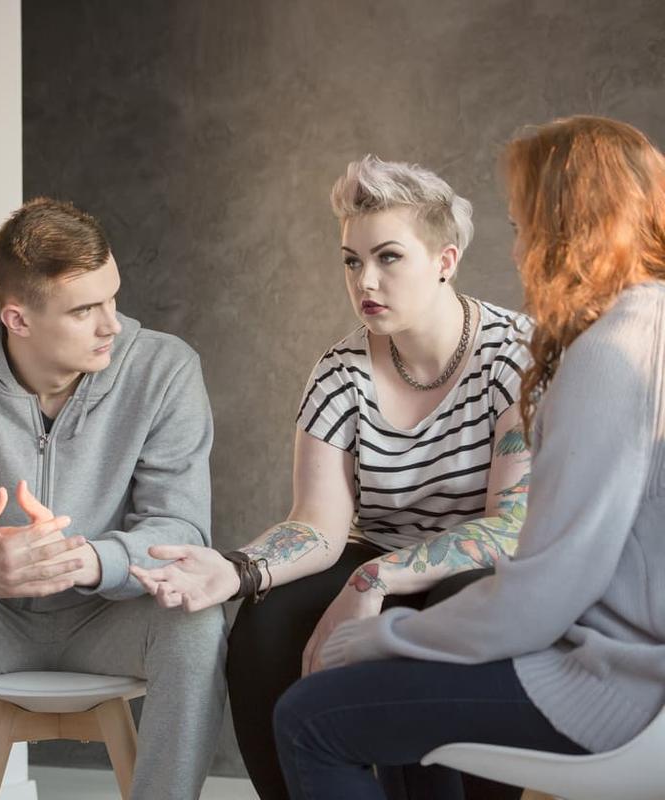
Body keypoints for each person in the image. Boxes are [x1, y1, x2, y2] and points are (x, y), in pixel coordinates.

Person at [269, 115, 665, 799]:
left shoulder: (607, 356)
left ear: (566, 228)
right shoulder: (649, 321)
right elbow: (317, 520)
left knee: (311, 718)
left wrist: (385, 636)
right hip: (623, 659)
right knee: (332, 664)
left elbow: (547, 586)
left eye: (522, 229)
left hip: (619, 684)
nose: (516, 253)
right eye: (353, 260)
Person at [132, 156, 532, 798]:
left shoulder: (515, 356)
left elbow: (511, 526)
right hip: (373, 559)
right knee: (263, 630)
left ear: (445, 260)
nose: (365, 280)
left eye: (389, 257)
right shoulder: (339, 372)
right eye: (352, 260)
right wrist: (235, 569)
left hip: (476, 570)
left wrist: (376, 578)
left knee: (464, 612)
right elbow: (318, 525)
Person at [0, 197, 227, 800]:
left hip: (114, 615)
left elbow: (182, 531)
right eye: (85, 309)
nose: (111, 324)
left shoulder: (164, 369)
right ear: (18, 319)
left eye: (112, 298)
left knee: (196, 622)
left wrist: (87, 560)